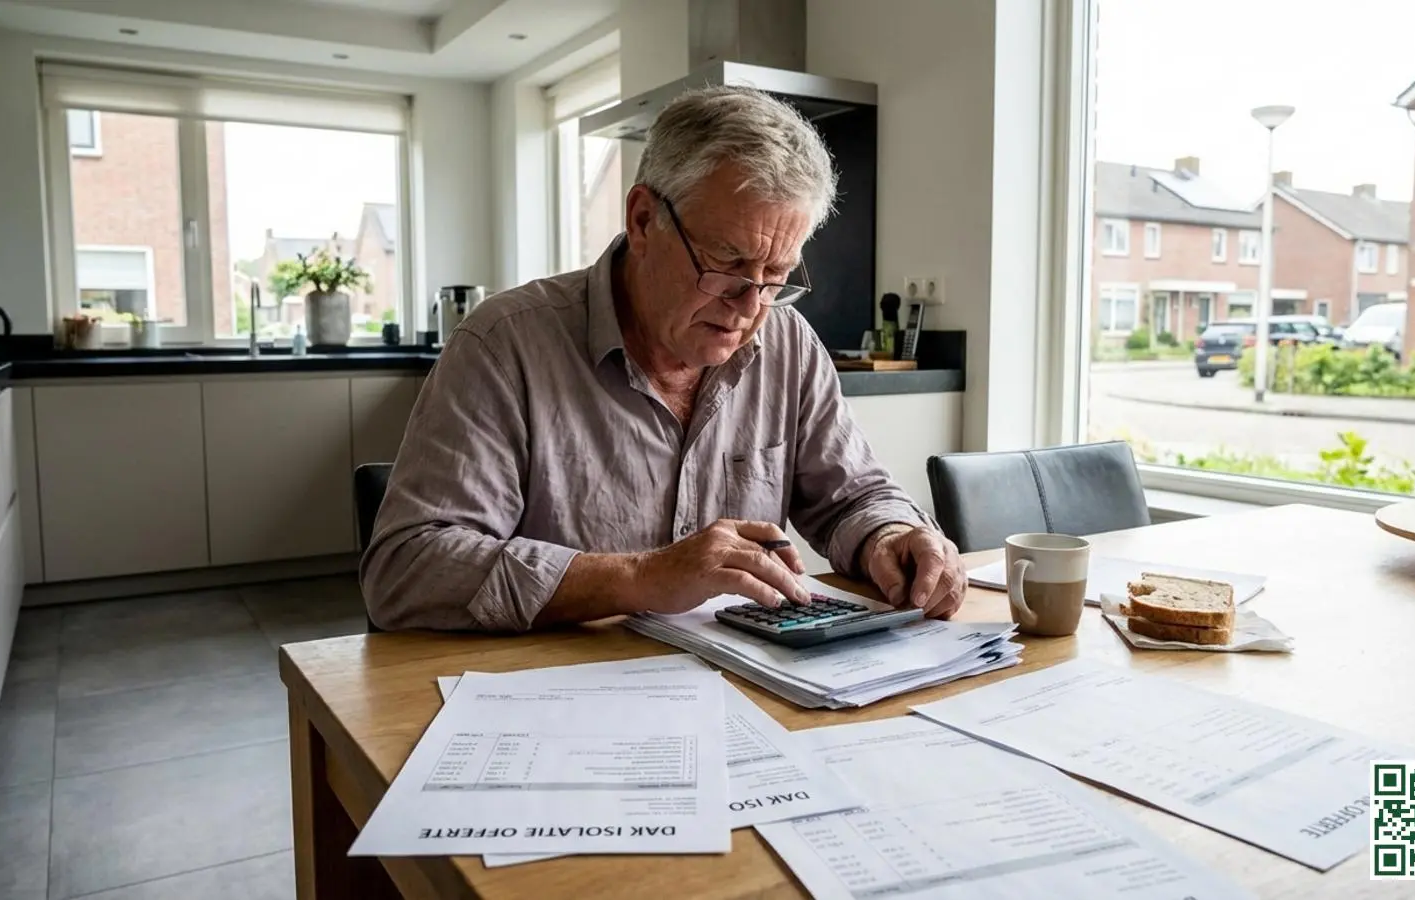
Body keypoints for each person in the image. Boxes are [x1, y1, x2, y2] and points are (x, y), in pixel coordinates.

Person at [362, 85, 966, 632]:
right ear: (643, 219)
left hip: (749, 693)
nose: (750, 305)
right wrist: (641, 577)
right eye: (726, 264)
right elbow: (408, 568)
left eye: (776, 275)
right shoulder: (505, 344)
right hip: (562, 706)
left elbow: (853, 498)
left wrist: (892, 535)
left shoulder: (788, 343)